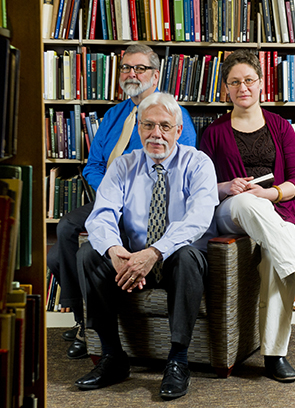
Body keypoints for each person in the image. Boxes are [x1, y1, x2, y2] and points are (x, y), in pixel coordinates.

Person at [46, 44, 197, 359]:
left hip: (152, 203)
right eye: (126, 68)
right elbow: (93, 165)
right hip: (110, 197)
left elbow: (178, 164)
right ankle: (81, 322)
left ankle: (90, 325)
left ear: (156, 75)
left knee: (71, 249)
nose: (132, 74)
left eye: (140, 68)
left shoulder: (171, 114)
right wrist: (111, 191)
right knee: (64, 234)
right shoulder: (115, 115)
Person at [74, 92, 218, 400]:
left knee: (188, 255)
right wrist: (115, 251)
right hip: (132, 258)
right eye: (148, 125)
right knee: (88, 252)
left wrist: (154, 253)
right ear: (139, 128)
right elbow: (100, 217)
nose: (156, 134)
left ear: (178, 131)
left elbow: (198, 220)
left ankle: (178, 360)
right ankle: (113, 357)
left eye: (165, 126)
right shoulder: (123, 166)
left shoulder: (198, 163)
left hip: (176, 261)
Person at [199, 49, 295, 383]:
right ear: (225, 89)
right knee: (249, 204)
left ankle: (275, 354)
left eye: (249, 80)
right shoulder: (213, 133)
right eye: (235, 82)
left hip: (276, 210)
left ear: (261, 84)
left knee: (281, 247)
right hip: (232, 211)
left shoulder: (279, 126)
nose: (242, 87)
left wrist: (270, 193)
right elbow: (199, 186)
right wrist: (226, 186)